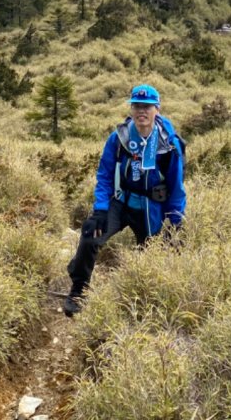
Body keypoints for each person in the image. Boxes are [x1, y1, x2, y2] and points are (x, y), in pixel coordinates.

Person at [63, 83, 186, 316]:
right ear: (131, 108)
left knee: (153, 258)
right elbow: (105, 173)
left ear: (157, 109)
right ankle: (79, 289)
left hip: (151, 208)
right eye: (137, 106)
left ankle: (141, 303)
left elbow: (176, 186)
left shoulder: (168, 144)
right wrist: (100, 209)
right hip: (120, 202)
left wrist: (175, 222)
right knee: (91, 235)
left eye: (147, 107)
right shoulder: (119, 138)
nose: (142, 111)